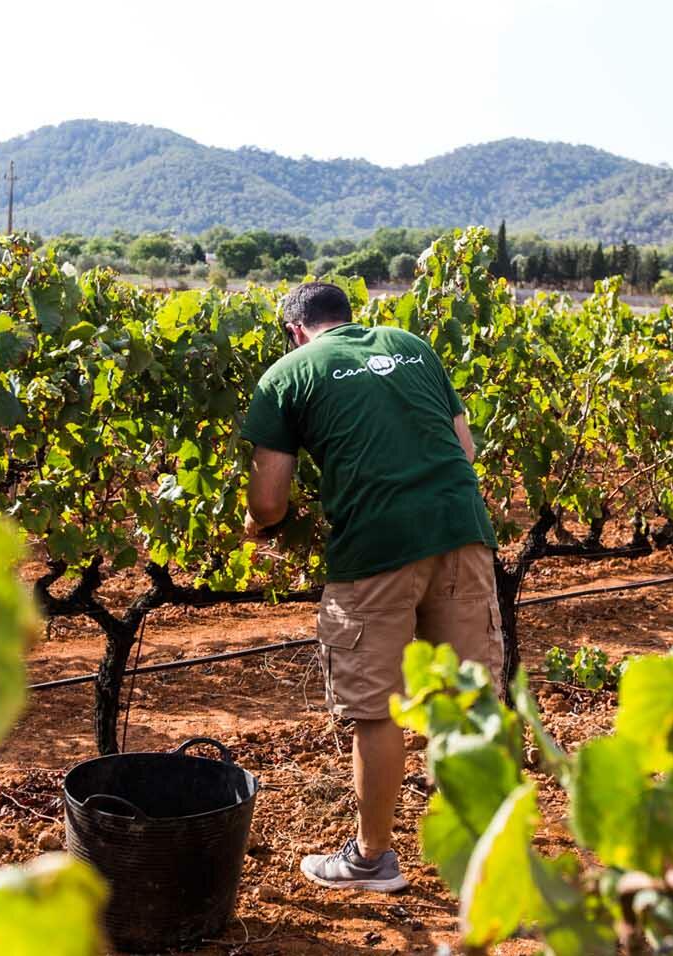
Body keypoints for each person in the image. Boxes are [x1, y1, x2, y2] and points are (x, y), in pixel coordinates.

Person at [240, 281, 502, 894]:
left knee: (376, 707)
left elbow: (271, 501)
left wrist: (255, 523)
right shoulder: (412, 345)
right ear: (347, 319)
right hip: (462, 529)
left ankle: (371, 860)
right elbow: (463, 449)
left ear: (294, 329)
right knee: (462, 699)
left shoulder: (288, 372)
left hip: (375, 549)